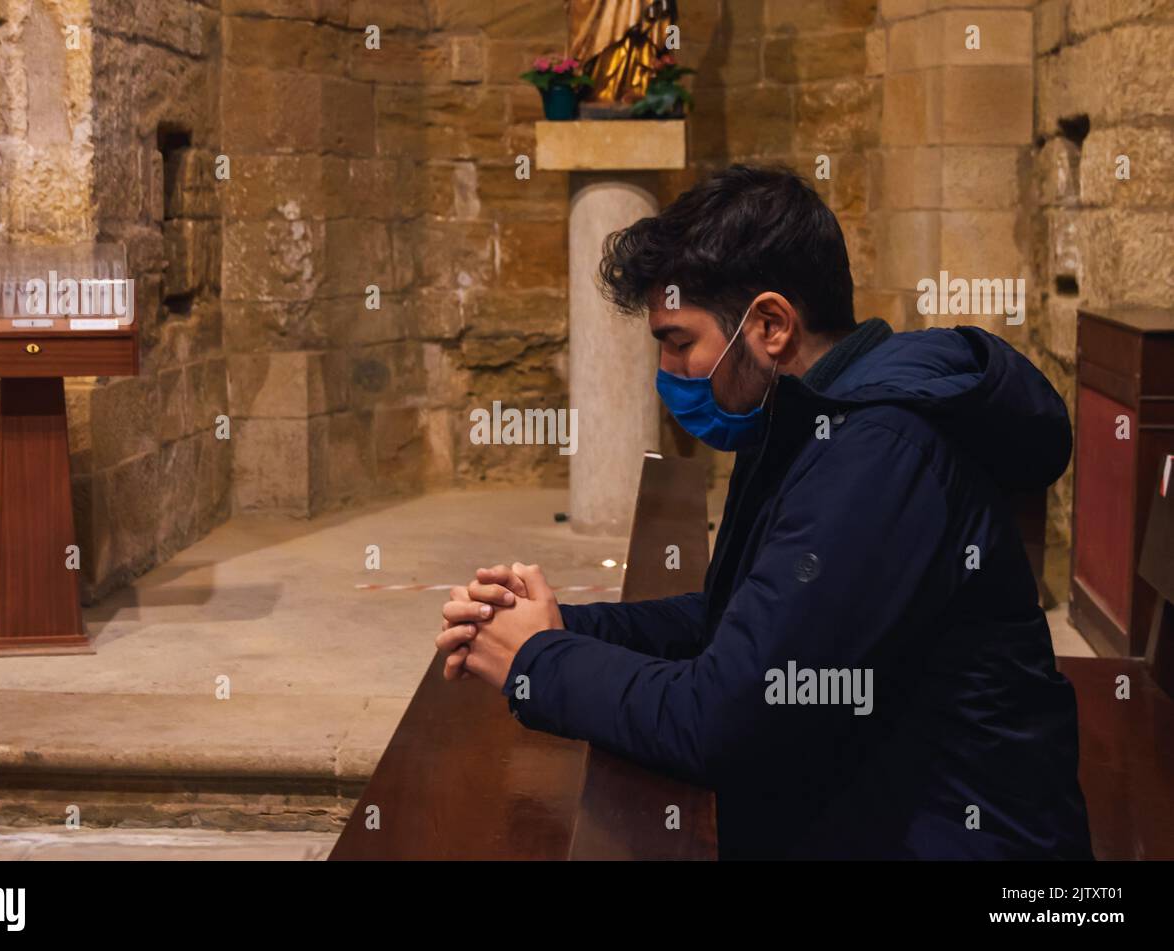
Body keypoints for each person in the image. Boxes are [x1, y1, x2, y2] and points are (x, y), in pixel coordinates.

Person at [435, 164, 1093, 860]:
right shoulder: (801, 418)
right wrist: (567, 624)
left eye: (679, 341)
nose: (667, 371)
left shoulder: (879, 454)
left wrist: (540, 660)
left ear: (772, 325)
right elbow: (733, 617)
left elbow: (723, 721)